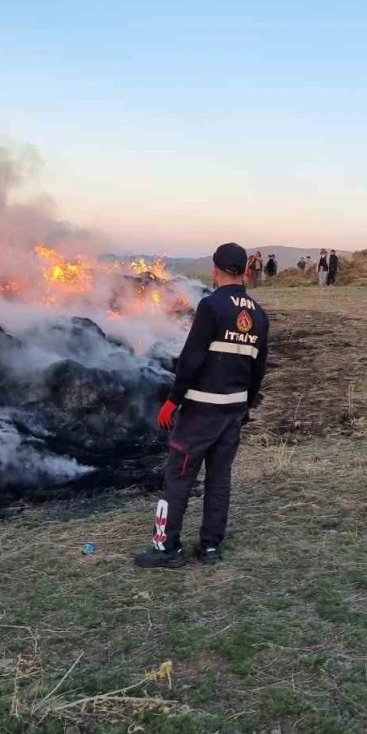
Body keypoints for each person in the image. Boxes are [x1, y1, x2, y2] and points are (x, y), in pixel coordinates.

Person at [135, 243, 270, 568]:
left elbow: (192, 358)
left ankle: (166, 548)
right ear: (246, 271)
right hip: (233, 411)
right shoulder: (258, 314)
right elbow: (258, 368)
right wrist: (245, 407)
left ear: (216, 269)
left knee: (179, 476)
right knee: (219, 478)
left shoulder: (211, 306)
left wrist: (172, 400)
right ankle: (211, 546)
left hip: (200, 411)